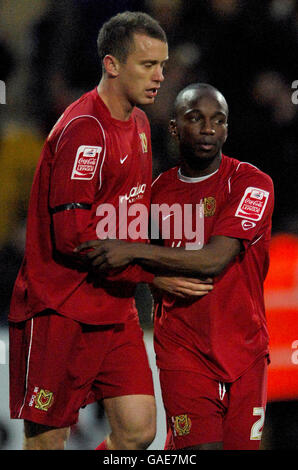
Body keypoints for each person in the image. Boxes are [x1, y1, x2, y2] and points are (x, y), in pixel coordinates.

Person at [76, 83, 275, 450]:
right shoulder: (154, 194)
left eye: (218, 120)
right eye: (195, 118)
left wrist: (135, 252)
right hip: (183, 349)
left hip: (245, 351)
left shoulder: (251, 184)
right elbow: (107, 256)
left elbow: (214, 259)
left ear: (227, 129)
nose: (208, 129)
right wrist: (152, 275)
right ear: (173, 127)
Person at [9, 11, 171, 451]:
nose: (159, 77)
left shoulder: (138, 124)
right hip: (60, 307)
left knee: (138, 430)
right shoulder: (85, 130)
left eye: (162, 65)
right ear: (112, 64)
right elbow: (73, 237)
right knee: (48, 441)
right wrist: (155, 270)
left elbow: (129, 216)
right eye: (147, 65)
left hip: (113, 307)